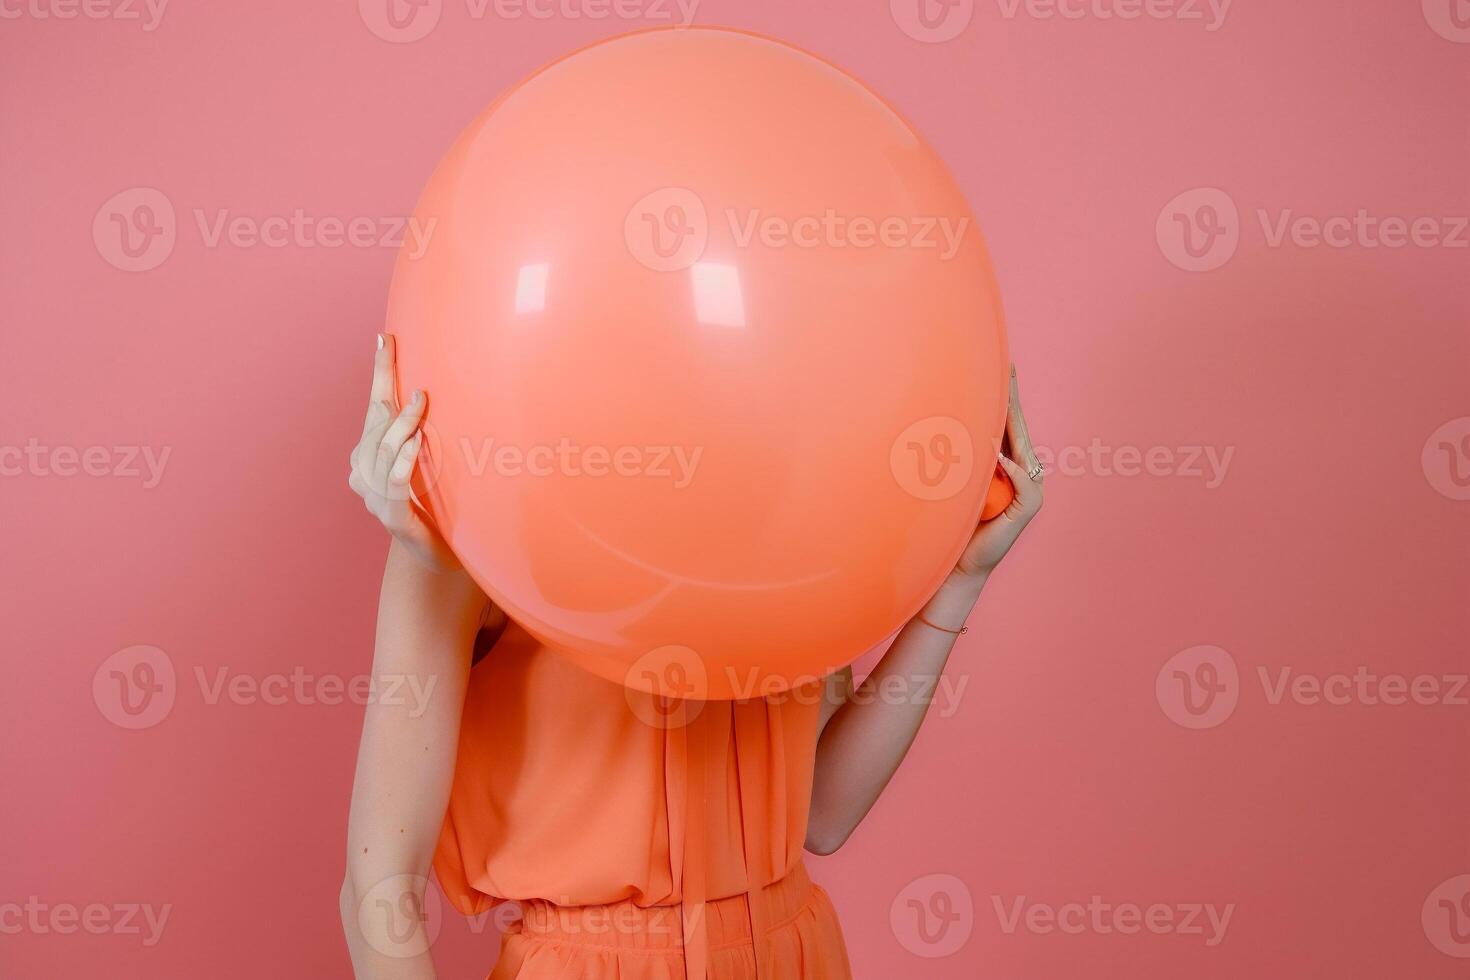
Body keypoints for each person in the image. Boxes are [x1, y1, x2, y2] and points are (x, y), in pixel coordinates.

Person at [340, 334, 1044, 979]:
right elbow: (379, 889)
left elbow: (822, 813)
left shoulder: (798, 499)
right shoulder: (472, 515)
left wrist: (961, 583)